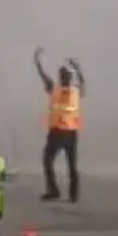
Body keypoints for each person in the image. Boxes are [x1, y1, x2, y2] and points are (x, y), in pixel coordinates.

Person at [34, 47, 84, 202]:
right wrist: (78, 68)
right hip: (71, 133)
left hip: (57, 132)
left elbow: (44, 77)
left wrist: (38, 63)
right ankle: (73, 195)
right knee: (72, 165)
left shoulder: (55, 90)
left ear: (62, 77)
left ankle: (54, 190)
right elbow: (82, 82)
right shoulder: (75, 91)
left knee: (48, 160)